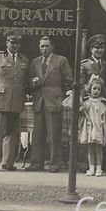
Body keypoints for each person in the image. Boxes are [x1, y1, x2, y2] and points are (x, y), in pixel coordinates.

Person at [0, 29, 29, 173]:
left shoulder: (24, 60)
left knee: (11, 133)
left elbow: (24, 81)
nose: (15, 45)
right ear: (7, 42)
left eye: (18, 42)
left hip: (16, 100)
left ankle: (8, 162)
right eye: (12, 42)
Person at [26, 36, 73, 173]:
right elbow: (29, 81)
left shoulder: (61, 60)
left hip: (54, 101)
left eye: (46, 46)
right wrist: (32, 82)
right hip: (39, 101)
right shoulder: (35, 62)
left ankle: (54, 164)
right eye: (41, 46)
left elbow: (68, 80)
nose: (44, 49)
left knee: (54, 135)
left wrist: (61, 97)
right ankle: (36, 163)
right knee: (37, 135)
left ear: (52, 46)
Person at [80, 77, 106, 177]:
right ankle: (91, 167)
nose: (96, 91)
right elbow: (82, 113)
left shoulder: (103, 102)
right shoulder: (86, 101)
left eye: (99, 89)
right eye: (94, 89)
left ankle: (99, 167)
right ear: (90, 89)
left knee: (98, 148)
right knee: (90, 148)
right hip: (89, 126)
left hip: (99, 126)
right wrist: (81, 109)